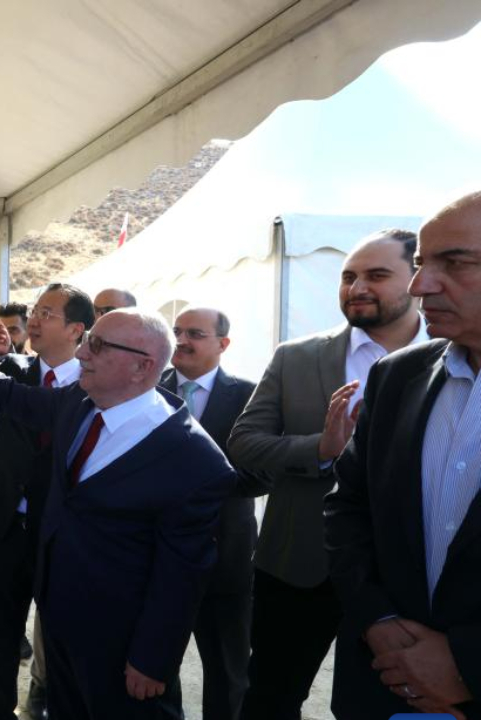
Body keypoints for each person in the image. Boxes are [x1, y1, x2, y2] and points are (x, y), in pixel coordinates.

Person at [0, 308, 236, 719]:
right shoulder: (79, 402)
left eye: (98, 345)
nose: (83, 355)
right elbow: (13, 396)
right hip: (60, 626)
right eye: (87, 340)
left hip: (122, 649)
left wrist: (152, 658)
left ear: (142, 366)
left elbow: (181, 573)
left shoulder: (194, 459)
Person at [227, 229, 428, 720]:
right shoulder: (296, 356)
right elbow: (243, 442)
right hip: (298, 565)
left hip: (408, 575)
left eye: (377, 276)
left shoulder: (456, 357)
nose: (357, 287)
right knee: (271, 696)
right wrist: (319, 449)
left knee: (385, 705)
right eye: (348, 276)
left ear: (416, 279)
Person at [325, 191, 481, 720]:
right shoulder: (396, 376)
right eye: (419, 266)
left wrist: (466, 664)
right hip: (380, 684)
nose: (419, 286)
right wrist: (378, 621)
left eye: (454, 263)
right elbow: (348, 510)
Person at [0, 283, 92, 720]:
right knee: (2, 638)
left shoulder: (94, 384)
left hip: (61, 534)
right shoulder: (11, 368)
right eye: (36, 311)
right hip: (8, 527)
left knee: (60, 639)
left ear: (77, 329)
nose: (35, 320)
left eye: (47, 313)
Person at [160, 308, 259, 720]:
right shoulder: (146, 387)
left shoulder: (251, 395)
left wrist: (197, 481)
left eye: (195, 333)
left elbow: (261, 474)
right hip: (156, 556)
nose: (182, 340)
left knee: (227, 671)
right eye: (177, 331)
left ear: (223, 343)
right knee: (154, 665)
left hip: (226, 558)